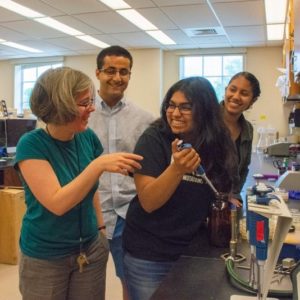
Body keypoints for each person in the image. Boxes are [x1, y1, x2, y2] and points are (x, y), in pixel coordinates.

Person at [15, 66, 143, 300]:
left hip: (90, 249)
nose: (92, 108)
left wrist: (101, 230)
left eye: (91, 100)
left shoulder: (87, 138)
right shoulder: (31, 144)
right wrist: (97, 166)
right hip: (46, 257)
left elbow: (89, 189)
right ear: (61, 105)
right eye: (84, 103)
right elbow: (57, 203)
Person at [122, 76, 238, 300]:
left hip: (195, 252)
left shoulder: (218, 142)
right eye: (171, 105)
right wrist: (176, 169)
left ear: (204, 111)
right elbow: (148, 201)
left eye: (186, 107)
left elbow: (219, 192)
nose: (175, 113)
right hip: (150, 254)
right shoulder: (154, 139)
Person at [88, 45, 154, 300]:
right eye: (110, 71)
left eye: (124, 72)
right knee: (86, 285)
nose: (117, 77)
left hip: (129, 213)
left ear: (130, 75)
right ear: (98, 73)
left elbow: (149, 168)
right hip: (90, 213)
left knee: (130, 282)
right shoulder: (82, 115)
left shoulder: (145, 119)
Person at [222, 71, 261, 207]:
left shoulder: (247, 129)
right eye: (232, 90)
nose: (236, 96)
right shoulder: (206, 120)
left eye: (244, 93)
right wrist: (223, 197)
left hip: (228, 203)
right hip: (199, 201)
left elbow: (243, 168)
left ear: (252, 101)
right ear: (226, 90)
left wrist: (234, 193)